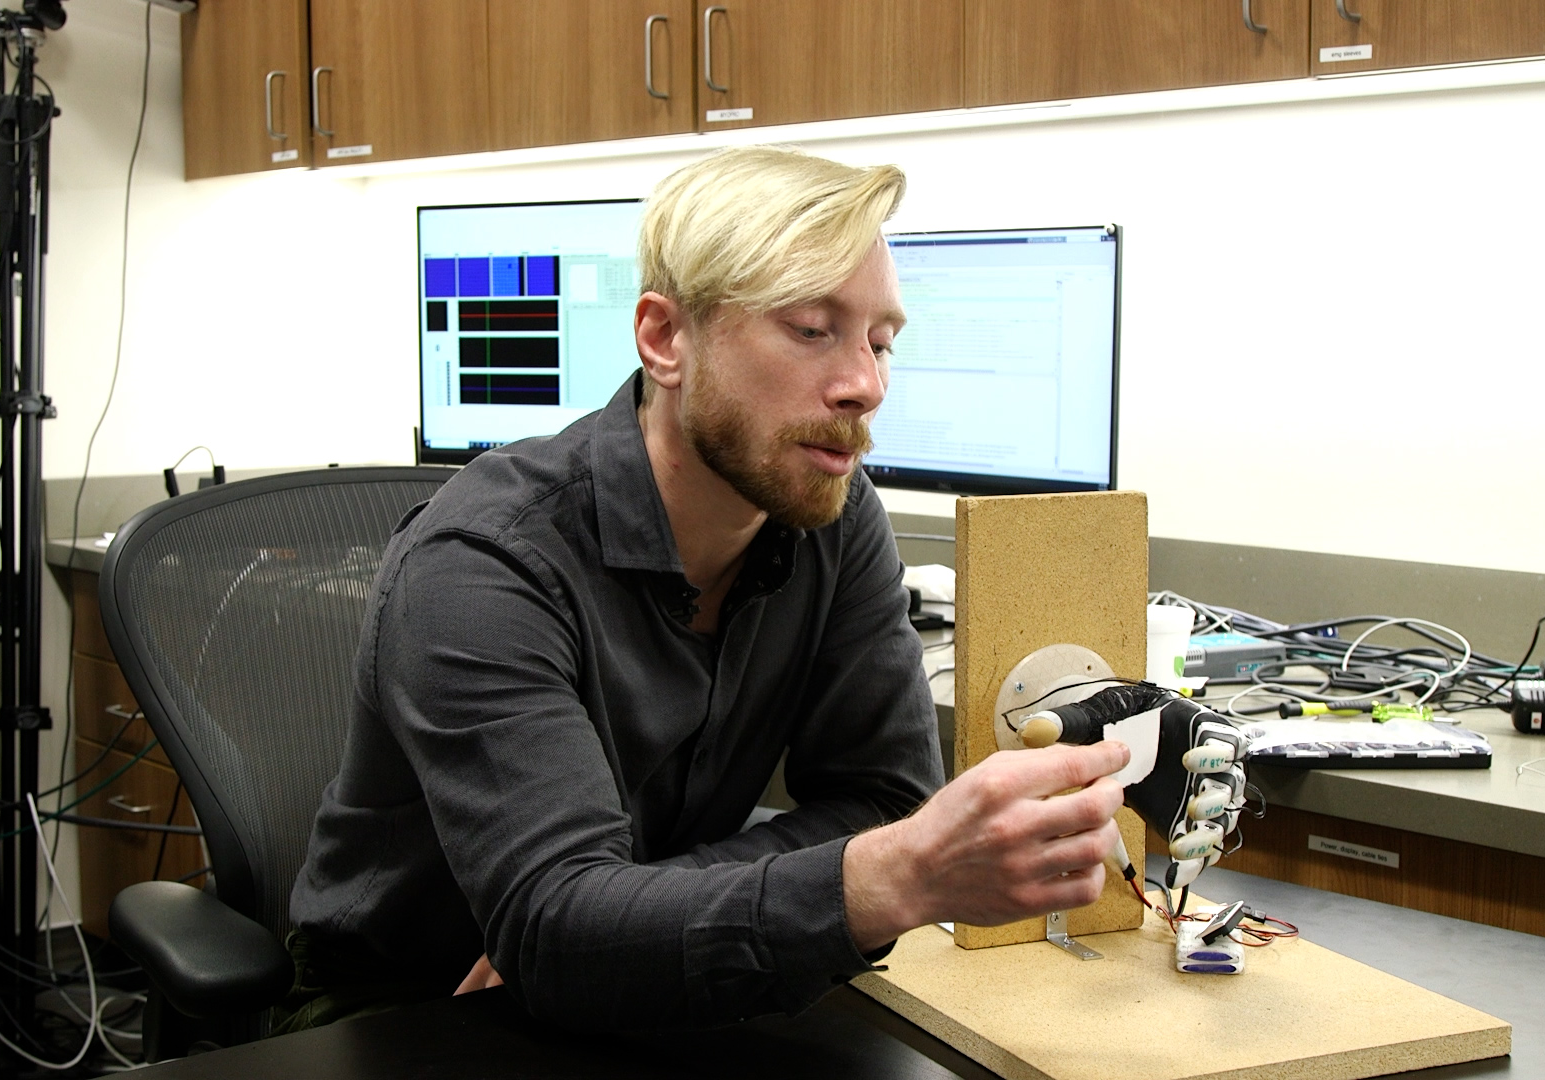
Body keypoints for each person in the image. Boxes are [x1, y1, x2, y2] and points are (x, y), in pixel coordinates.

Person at [283, 146, 1128, 1032]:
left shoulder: (832, 516)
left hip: (673, 979)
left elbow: (881, 802)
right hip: (410, 1013)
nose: (866, 385)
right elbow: (561, 933)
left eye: (881, 342)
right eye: (812, 329)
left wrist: (618, 917)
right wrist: (884, 876)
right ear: (664, 339)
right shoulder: (485, 563)